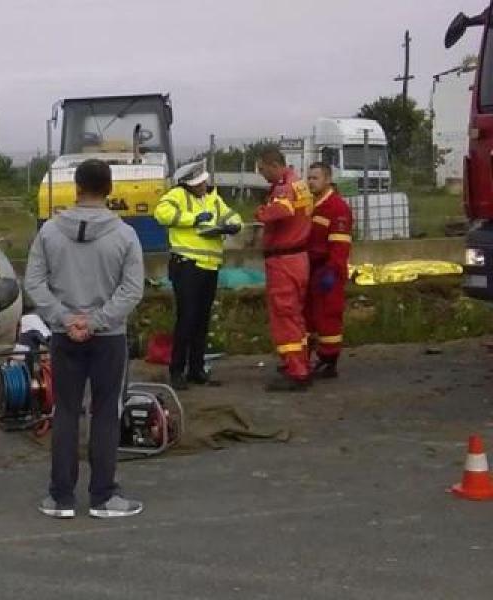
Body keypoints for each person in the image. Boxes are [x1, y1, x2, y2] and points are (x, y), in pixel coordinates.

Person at [24, 158, 145, 520]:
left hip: (65, 336)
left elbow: (34, 282)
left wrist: (65, 318)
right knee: (105, 411)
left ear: (76, 187)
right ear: (110, 189)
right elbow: (132, 289)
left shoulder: (49, 232)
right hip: (109, 337)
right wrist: (97, 321)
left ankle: (60, 497)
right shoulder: (125, 235)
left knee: (65, 411)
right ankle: (103, 496)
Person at [154, 160, 243, 390]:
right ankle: (176, 371)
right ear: (187, 184)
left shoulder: (213, 198)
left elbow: (232, 216)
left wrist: (233, 225)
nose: (202, 186)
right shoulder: (177, 195)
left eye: (203, 182)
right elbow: (162, 214)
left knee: (202, 320)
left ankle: (196, 369)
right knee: (187, 319)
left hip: (210, 266)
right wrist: (193, 219)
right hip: (187, 265)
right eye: (198, 183)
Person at [255, 149, 313, 391]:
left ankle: (296, 370)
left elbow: (283, 210)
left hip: (283, 260)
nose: (261, 174)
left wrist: (261, 213)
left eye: (262, 169)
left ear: (273, 165)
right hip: (298, 258)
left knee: (284, 315)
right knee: (295, 315)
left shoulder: (284, 187)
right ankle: (302, 362)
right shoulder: (299, 183)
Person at [304, 162, 353, 379]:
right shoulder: (313, 205)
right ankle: (308, 359)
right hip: (311, 268)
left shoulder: (337, 208)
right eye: (309, 178)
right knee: (310, 316)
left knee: (328, 317)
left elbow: (340, 246)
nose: (310, 182)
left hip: (327, 269)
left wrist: (332, 271)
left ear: (327, 179)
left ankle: (329, 360)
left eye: (315, 178)